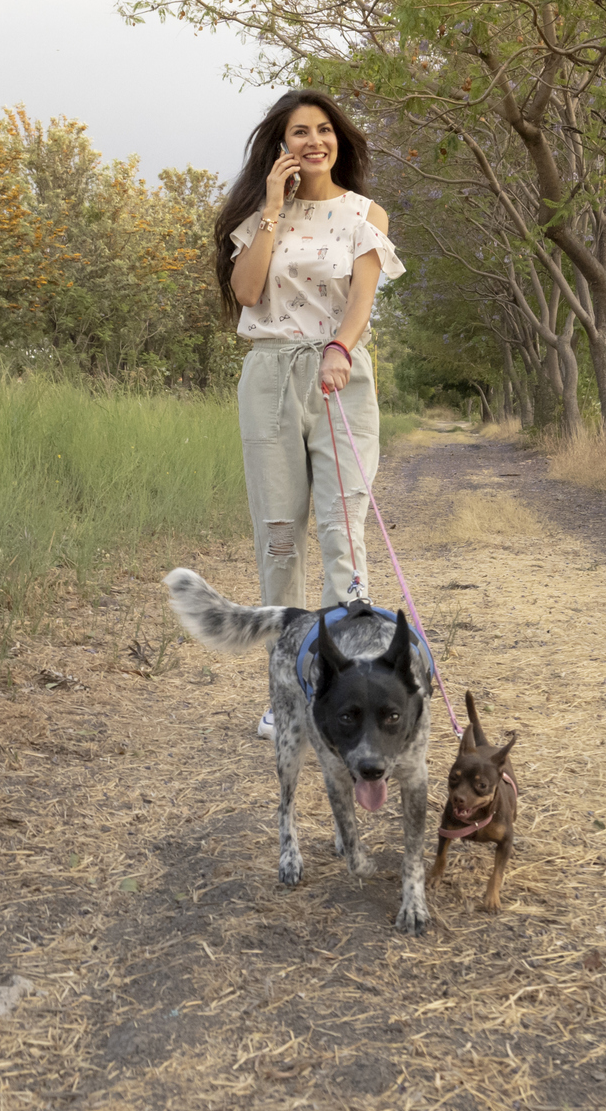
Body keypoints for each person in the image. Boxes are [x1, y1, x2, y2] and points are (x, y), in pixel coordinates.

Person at [214, 89, 404, 739]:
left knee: (341, 531)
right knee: (277, 537)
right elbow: (245, 291)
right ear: (281, 145)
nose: (313, 141)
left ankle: (343, 688)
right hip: (268, 376)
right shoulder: (260, 215)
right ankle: (286, 692)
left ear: (337, 140)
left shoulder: (362, 213)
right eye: (300, 132)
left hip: (337, 375)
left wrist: (339, 349)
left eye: (323, 130)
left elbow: (361, 298)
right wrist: (270, 208)